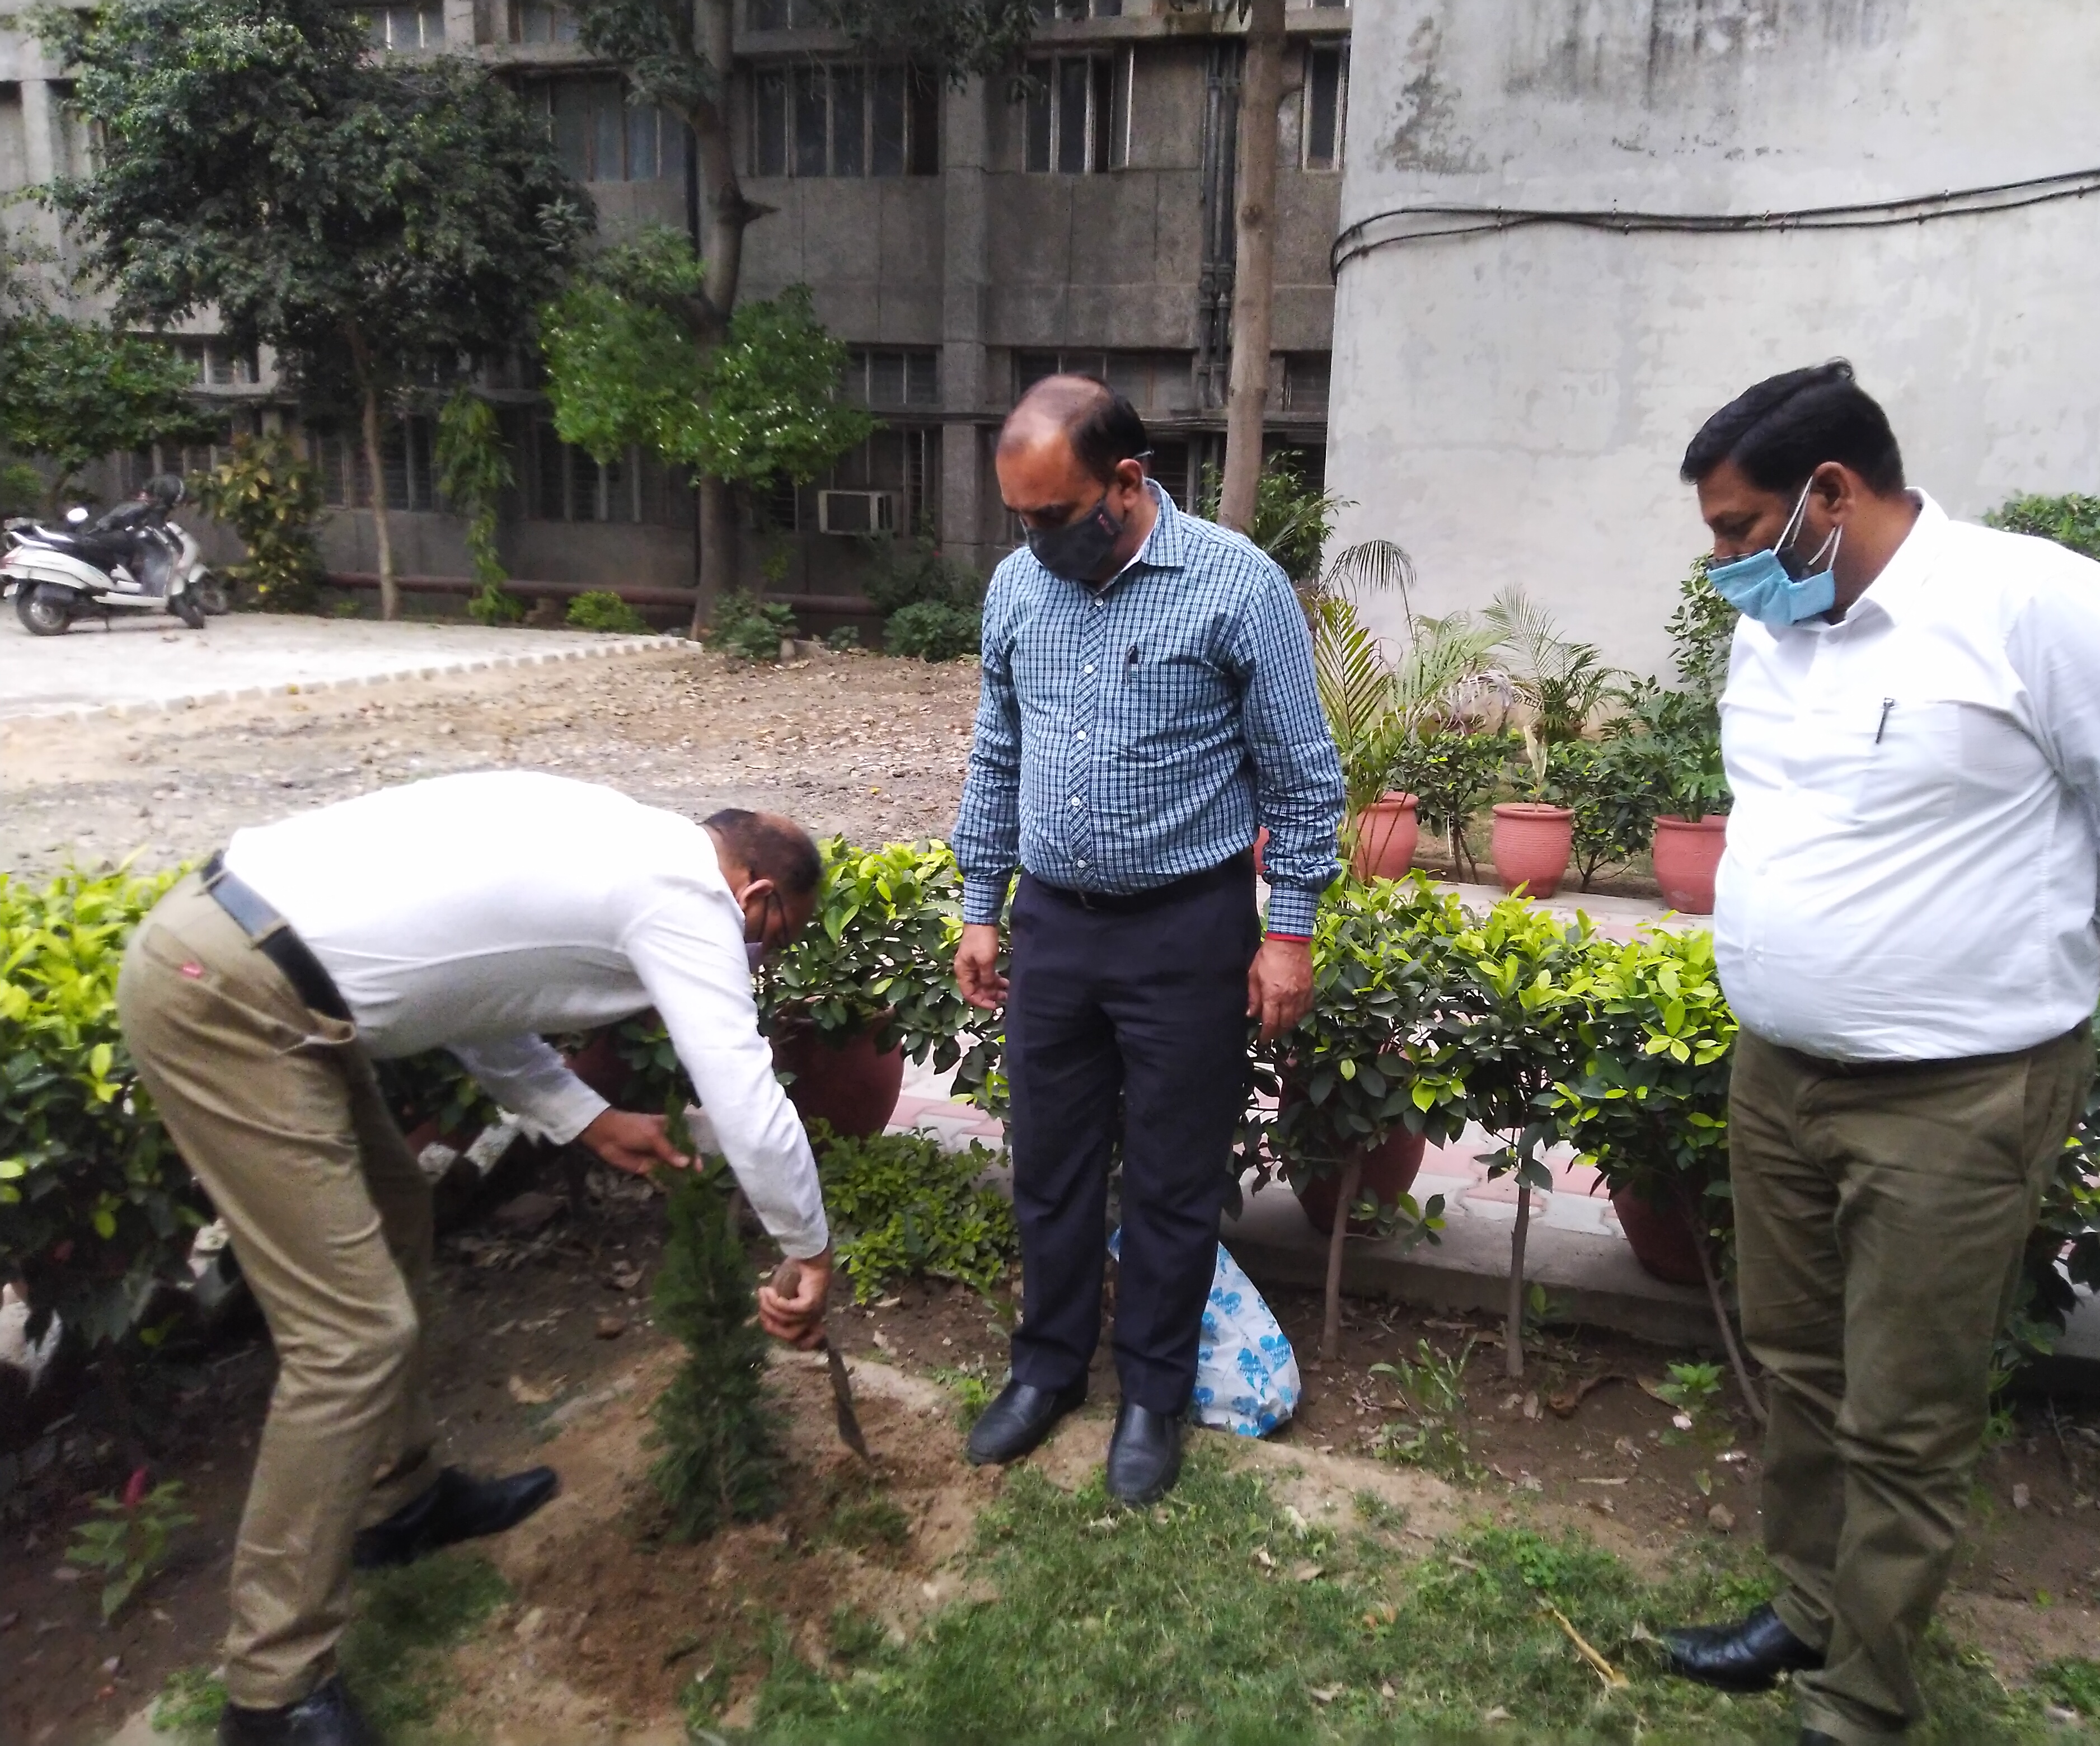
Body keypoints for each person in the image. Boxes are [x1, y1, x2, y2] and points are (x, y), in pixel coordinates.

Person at [1653, 362, 2100, 1746]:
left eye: (1737, 529)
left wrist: (2038, 935)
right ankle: (1806, 1608)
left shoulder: (2037, 608)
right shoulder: (1775, 631)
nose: (1723, 564)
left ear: (1830, 493)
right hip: (1779, 1071)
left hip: (1956, 1091)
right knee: (1798, 1366)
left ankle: (1863, 1694)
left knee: (1905, 1405)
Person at [115, 771, 837, 1746]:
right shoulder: (689, 895)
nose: (758, 956)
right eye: (774, 938)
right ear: (757, 895)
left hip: (259, 963)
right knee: (351, 1338)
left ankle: (397, 1503)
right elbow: (744, 1096)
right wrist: (808, 1247)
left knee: (396, 1214)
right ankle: (273, 1692)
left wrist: (585, 1118)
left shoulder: (621, 837)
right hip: (230, 997)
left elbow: (479, 998)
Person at [950, 375, 1344, 1503]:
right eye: (1019, 518)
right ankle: (1047, 1370)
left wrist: (1288, 934)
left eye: (1053, 515)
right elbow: (998, 750)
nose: (1034, 540)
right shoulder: (1019, 587)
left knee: (1173, 1178)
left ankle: (1154, 1397)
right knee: (1051, 1165)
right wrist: (980, 903)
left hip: (1184, 929)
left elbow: (1304, 780)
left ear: (1126, 482)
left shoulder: (1235, 585)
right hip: (1054, 928)